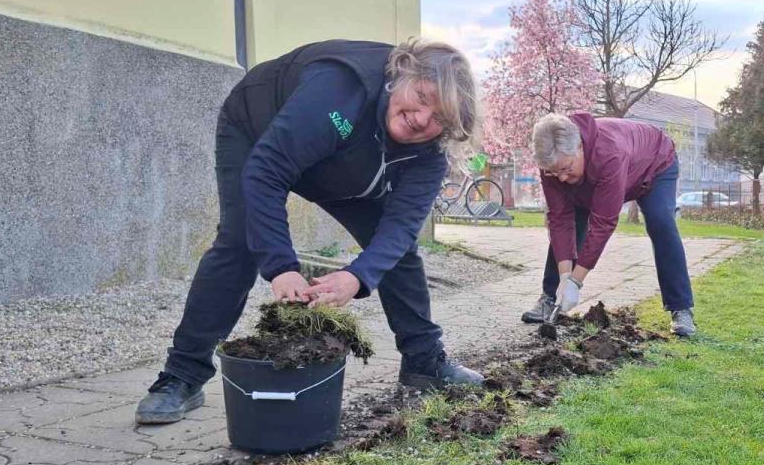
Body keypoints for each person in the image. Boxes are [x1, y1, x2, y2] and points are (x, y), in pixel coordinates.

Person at [136, 38, 483, 425]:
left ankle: (425, 361)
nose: (421, 118)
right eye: (421, 96)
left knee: (396, 253)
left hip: (347, 164)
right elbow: (267, 171)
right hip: (259, 129)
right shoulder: (341, 88)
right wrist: (282, 267)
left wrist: (357, 277)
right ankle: (182, 375)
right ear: (401, 73)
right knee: (239, 243)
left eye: (438, 118)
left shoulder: (429, 154)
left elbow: (400, 228)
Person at [521, 112, 696, 337]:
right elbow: (559, 219)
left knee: (660, 221)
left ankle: (681, 308)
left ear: (580, 148)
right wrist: (565, 276)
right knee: (570, 219)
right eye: (554, 172)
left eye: (565, 169)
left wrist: (576, 281)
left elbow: (603, 223)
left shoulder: (609, 152)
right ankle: (550, 298)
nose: (561, 178)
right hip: (598, 173)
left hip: (655, 165)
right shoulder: (553, 163)